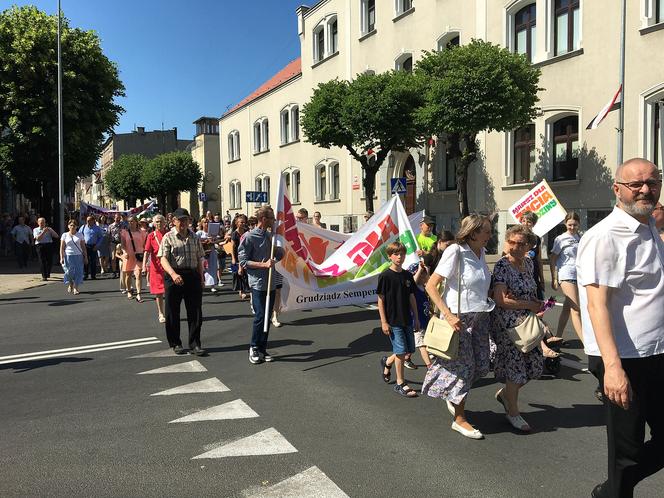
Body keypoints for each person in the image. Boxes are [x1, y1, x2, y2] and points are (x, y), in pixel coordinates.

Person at [577, 158, 664, 498]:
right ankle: (614, 492)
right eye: (636, 184)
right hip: (623, 358)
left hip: (655, 353)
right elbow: (596, 305)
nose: (645, 189)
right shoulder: (605, 236)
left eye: (652, 182)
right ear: (618, 189)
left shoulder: (648, 228)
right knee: (626, 452)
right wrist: (613, 368)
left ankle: (611, 491)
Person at [421, 215, 494, 439]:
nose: (490, 236)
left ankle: (453, 396)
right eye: (487, 232)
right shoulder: (455, 251)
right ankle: (460, 419)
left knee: (482, 364)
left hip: (480, 318)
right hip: (458, 320)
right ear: (473, 233)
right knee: (465, 368)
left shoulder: (481, 253)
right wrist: (449, 315)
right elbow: (431, 286)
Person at [492, 224, 544, 432]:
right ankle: (513, 413)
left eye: (520, 243)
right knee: (516, 371)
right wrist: (528, 304)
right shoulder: (503, 266)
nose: (514, 247)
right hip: (508, 325)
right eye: (511, 242)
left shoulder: (529, 263)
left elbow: (528, 290)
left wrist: (536, 303)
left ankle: (505, 394)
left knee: (535, 367)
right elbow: (501, 300)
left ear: (529, 246)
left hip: (527, 321)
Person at [239, 206, 284, 364]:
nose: (274, 221)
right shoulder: (249, 237)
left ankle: (263, 348)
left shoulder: (271, 235)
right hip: (258, 284)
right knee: (260, 316)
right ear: (264, 219)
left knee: (267, 316)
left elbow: (279, 254)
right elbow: (243, 261)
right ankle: (254, 347)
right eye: (272, 218)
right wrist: (262, 265)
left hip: (271, 283)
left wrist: (279, 248)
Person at [159, 208, 206, 356]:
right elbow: (163, 258)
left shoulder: (194, 237)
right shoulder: (168, 237)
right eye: (180, 220)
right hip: (174, 275)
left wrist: (201, 276)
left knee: (195, 311)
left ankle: (195, 344)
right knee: (172, 311)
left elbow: (199, 258)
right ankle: (175, 343)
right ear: (174, 221)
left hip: (192, 275)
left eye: (186, 220)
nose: (184, 223)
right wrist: (172, 274)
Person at [377, 241, 421, 398]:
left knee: (407, 350)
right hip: (393, 320)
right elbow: (380, 299)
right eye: (396, 254)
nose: (400, 257)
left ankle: (387, 362)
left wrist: (416, 318)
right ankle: (400, 383)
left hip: (407, 319)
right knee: (401, 352)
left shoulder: (407, 275)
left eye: (402, 254)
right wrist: (384, 321)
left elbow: (412, 297)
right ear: (390, 256)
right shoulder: (385, 276)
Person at [549, 212, 583, 344]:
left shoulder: (580, 237)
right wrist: (554, 278)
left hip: (579, 275)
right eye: (569, 225)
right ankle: (586, 343)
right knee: (576, 309)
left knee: (567, 308)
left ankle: (557, 336)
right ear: (565, 224)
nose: (572, 227)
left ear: (579, 224)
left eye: (575, 225)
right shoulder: (560, 239)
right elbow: (553, 259)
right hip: (566, 274)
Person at [144, 214, 168, 323]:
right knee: (159, 293)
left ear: (164, 222)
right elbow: (147, 252)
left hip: (168, 268)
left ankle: (169, 312)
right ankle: (161, 313)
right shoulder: (151, 236)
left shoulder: (169, 234)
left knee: (170, 292)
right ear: (154, 223)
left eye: (161, 221)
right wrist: (144, 265)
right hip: (156, 268)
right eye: (157, 222)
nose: (159, 223)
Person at [519, 211, 545, 300]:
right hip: (520, 275)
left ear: (533, 224)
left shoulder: (537, 238)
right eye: (523, 220)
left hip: (534, 275)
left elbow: (539, 260)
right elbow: (507, 255)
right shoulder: (516, 237)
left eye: (529, 221)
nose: (525, 223)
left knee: (540, 305)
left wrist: (542, 279)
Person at [121, 216, 147, 302]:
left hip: (138, 255)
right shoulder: (124, 232)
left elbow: (144, 244)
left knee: (138, 273)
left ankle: (139, 294)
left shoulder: (142, 232)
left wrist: (144, 253)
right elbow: (123, 244)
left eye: (132, 221)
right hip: (128, 255)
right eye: (129, 222)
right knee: (128, 275)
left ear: (136, 222)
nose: (130, 223)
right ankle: (129, 291)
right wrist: (125, 252)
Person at [60, 219, 86, 294]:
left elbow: (83, 247)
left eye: (74, 225)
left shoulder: (80, 235)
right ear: (68, 226)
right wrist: (61, 257)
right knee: (68, 272)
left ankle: (76, 287)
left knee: (78, 272)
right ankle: (70, 283)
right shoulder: (64, 235)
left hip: (78, 255)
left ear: (76, 226)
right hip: (68, 255)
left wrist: (85, 256)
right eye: (71, 225)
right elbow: (62, 247)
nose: (72, 227)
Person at [196, 218, 221, 292]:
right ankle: (202, 283)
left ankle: (212, 285)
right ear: (201, 224)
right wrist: (205, 241)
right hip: (203, 252)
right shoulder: (199, 233)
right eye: (204, 222)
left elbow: (217, 240)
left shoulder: (212, 233)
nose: (206, 224)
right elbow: (197, 241)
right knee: (203, 269)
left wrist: (214, 239)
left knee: (212, 268)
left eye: (207, 222)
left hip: (211, 251)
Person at [78, 215, 104, 280]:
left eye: (89, 220)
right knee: (85, 261)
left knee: (93, 261)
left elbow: (101, 237)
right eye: (87, 220)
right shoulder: (83, 227)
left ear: (93, 221)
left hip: (93, 246)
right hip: (85, 246)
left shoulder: (97, 228)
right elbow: (79, 235)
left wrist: (97, 245)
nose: (87, 221)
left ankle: (93, 275)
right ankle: (85, 274)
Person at [231, 214, 250, 299]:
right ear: (237, 223)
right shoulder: (234, 234)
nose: (243, 224)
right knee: (237, 273)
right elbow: (232, 247)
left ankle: (245, 289)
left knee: (245, 273)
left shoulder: (246, 231)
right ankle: (240, 291)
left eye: (244, 222)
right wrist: (233, 258)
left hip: (245, 254)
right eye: (241, 222)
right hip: (236, 254)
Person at [108, 213, 127, 278]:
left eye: (119, 217)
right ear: (114, 218)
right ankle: (114, 272)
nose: (118, 219)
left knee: (121, 257)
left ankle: (121, 270)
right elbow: (108, 235)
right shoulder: (111, 226)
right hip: (113, 242)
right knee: (113, 257)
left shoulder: (123, 225)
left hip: (121, 242)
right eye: (117, 217)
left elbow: (126, 233)